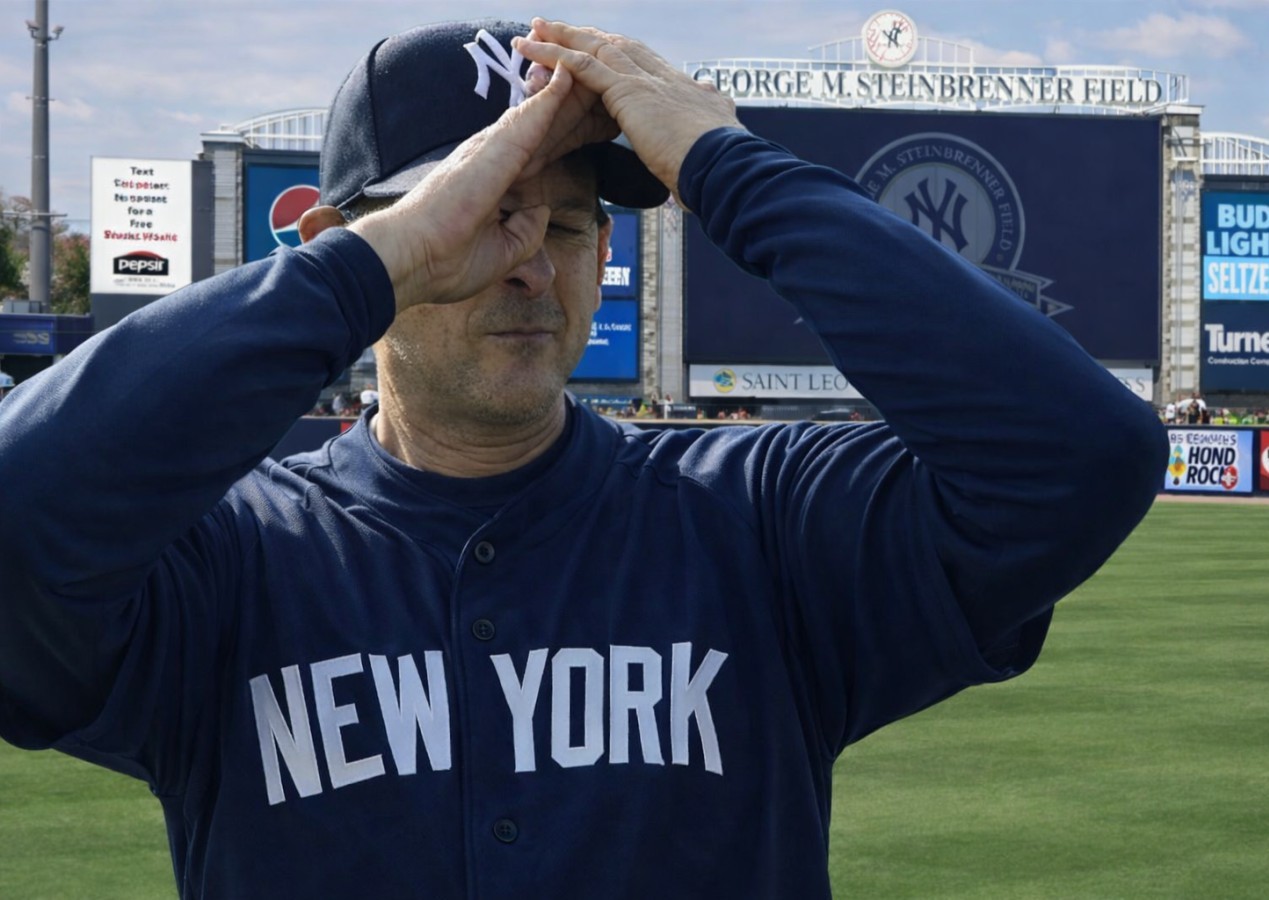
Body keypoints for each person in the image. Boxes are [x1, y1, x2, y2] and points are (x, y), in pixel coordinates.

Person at [0, 17, 1165, 900]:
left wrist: (728, 166)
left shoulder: (764, 524)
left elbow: (1081, 456)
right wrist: (365, 273)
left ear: (604, 254)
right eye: (471, 214)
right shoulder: (225, 562)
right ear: (343, 247)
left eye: (562, 226)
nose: (522, 263)